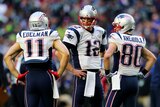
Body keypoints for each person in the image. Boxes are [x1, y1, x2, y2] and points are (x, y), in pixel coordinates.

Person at [4, 11, 69, 107]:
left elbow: (7, 57)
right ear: (45, 22)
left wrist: (17, 75)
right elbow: (66, 54)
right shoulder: (49, 34)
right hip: (45, 76)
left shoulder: (23, 36)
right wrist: (59, 73)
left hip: (30, 78)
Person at [57, 5, 108, 107]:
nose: (86, 21)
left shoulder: (101, 32)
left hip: (96, 75)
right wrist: (73, 70)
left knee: (99, 103)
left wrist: (102, 67)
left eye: (89, 19)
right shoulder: (75, 32)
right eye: (84, 19)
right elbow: (59, 53)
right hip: (82, 75)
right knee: (78, 104)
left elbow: (103, 52)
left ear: (94, 19)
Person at [103, 13, 156, 107]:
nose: (115, 28)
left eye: (117, 25)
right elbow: (152, 58)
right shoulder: (139, 40)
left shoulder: (116, 37)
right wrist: (142, 73)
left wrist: (107, 74)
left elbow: (107, 56)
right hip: (134, 82)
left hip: (119, 80)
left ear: (124, 26)